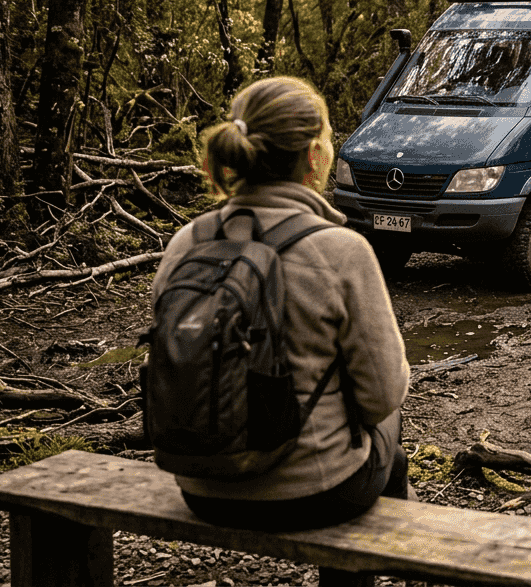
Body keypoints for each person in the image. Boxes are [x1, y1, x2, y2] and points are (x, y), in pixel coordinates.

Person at [152, 76, 411, 531]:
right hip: (313, 494)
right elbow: (382, 395)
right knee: (393, 431)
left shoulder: (185, 243)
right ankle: (404, 556)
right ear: (313, 156)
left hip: (200, 490)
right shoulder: (340, 250)